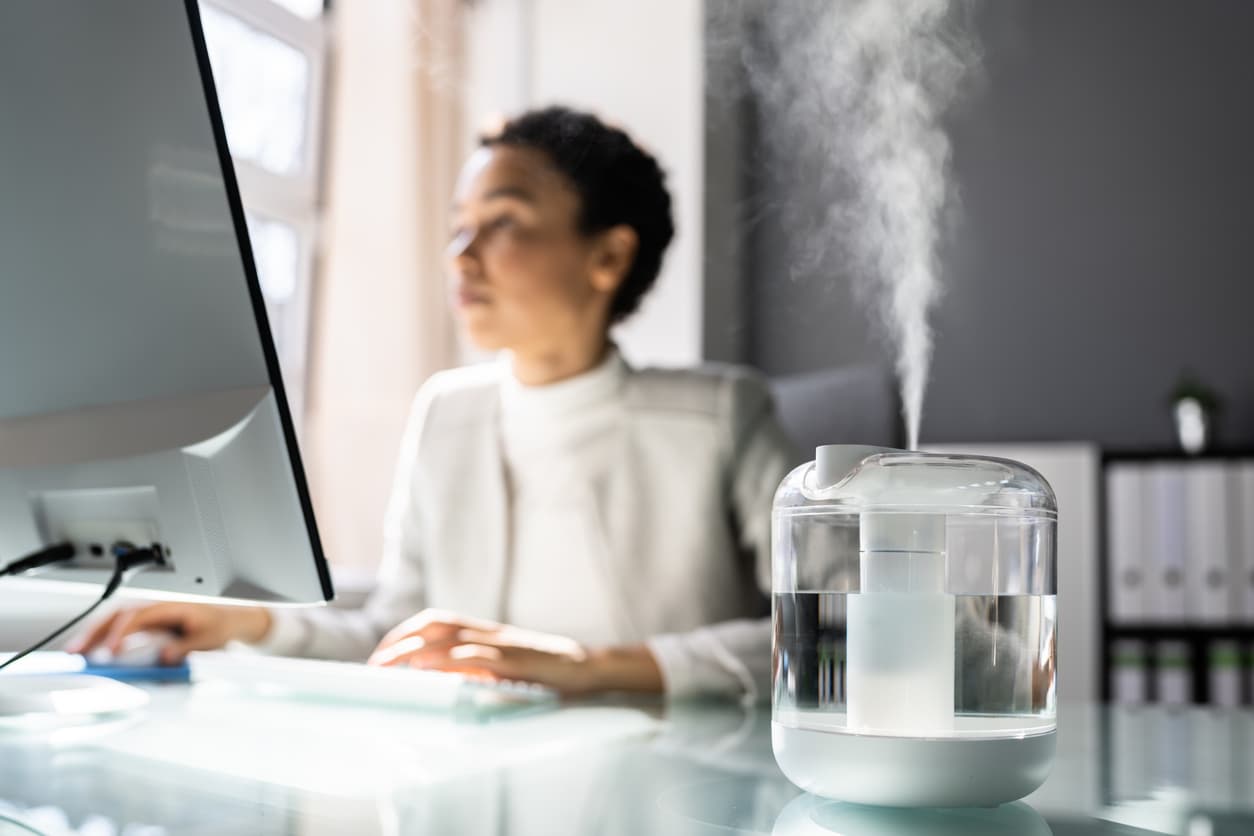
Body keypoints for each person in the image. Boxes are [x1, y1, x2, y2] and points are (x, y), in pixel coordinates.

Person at [70, 106, 798, 699]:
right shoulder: (446, 412)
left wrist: (587, 665)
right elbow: (397, 627)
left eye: (504, 220)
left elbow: (827, 634)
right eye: (459, 221)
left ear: (608, 256)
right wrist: (248, 623)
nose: (461, 251)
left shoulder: (720, 416)